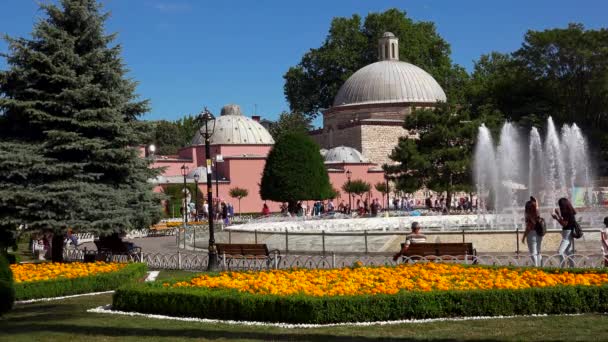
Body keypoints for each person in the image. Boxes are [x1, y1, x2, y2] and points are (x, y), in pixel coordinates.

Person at [551, 197, 577, 267]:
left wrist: (556, 217)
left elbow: (564, 224)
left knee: (560, 252)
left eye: (560, 205)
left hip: (567, 234)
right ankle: (572, 267)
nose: (560, 207)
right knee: (568, 252)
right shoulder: (570, 211)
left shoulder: (566, 213)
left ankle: (562, 267)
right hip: (569, 233)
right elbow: (565, 222)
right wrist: (558, 215)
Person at [522, 197, 543, 267]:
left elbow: (528, 228)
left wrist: (524, 236)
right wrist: (535, 201)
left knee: (533, 252)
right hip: (539, 233)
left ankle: (536, 267)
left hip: (532, 234)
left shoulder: (529, 216)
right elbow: (536, 206)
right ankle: (540, 266)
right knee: (538, 251)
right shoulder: (537, 213)